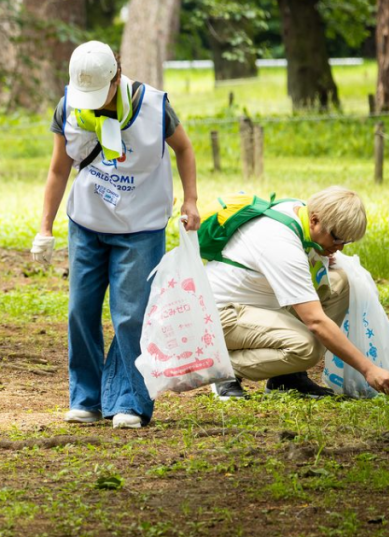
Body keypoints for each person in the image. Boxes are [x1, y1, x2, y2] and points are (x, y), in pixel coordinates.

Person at [31, 41, 200, 429]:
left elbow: (185, 149)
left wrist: (191, 200)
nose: (90, 103)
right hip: (87, 223)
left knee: (130, 316)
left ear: (117, 78)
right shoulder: (69, 107)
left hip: (139, 227)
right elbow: (59, 170)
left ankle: (130, 400)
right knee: (80, 310)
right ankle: (86, 399)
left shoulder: (155, 106)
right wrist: (45, 226)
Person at [205, 187, 389, 399]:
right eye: (337, 238)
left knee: (339, 283)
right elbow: (316, 321)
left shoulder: (298, 213)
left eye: (345, 242)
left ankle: (286, 377)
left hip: (255, 305)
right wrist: (368, 369)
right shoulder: (281, 243)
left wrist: (320, 255)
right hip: (219, 315)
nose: (339, 247)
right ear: (314, 220)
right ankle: (220, 369)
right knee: (306, 347)